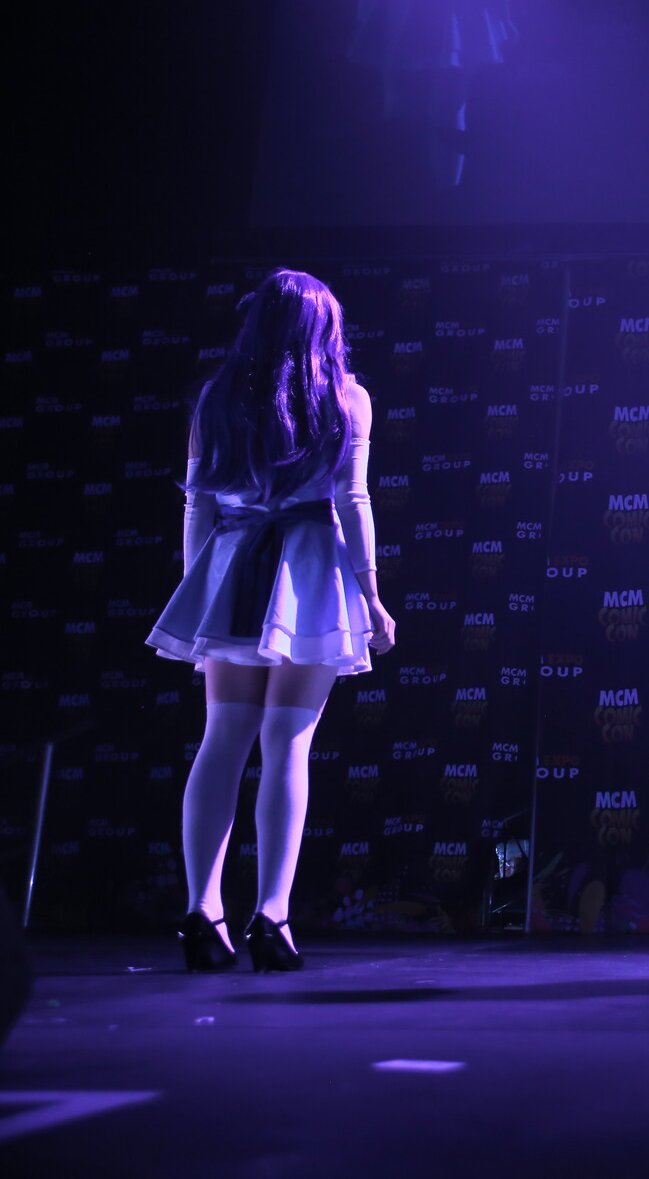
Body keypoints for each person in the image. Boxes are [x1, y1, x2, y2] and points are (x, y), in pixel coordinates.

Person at [147, 270, 396, 973]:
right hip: (308, 572)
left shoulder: (217, 396)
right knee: (287, 741)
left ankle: (203, 912)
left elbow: (198, 503)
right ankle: (272, 917)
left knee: (223, 737)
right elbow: (352, 501)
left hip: (233, 566)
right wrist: (372, 594)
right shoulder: (346, 398)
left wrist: (198, 591)